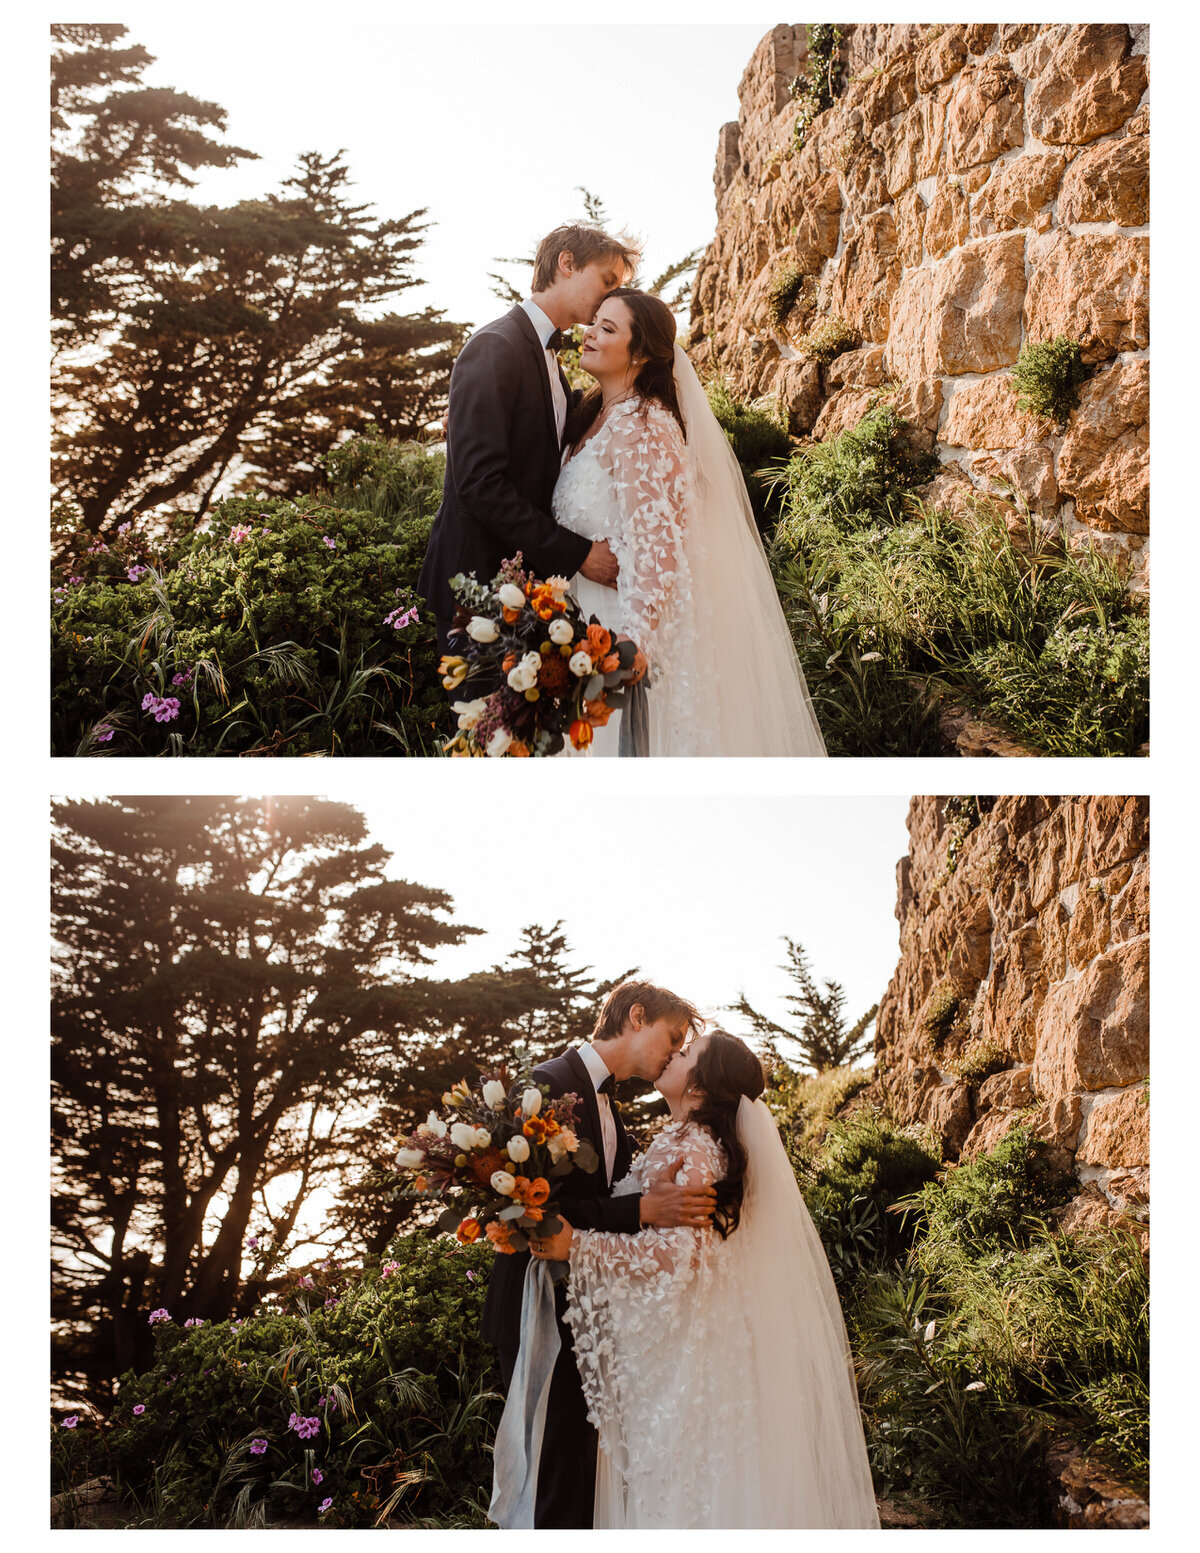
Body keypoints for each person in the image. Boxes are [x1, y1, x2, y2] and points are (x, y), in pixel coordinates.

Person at [529, 1029, 879, 1528]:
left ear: (699, 1086)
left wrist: (577, 1246)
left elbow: (678, 1259)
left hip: (689, 1357)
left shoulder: (698, 1147)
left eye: (688, 1052)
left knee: (688, 1491)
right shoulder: (681, 1138)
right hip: (674, 1346)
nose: (675, 1053)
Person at [482, 981, 717, 1529]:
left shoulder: (613, 1109)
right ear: (637, 1017)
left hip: (585, 1316)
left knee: (575, 1477)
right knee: (548, 1474)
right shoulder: (547, 1083)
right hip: (534, 1308)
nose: (673, 1052)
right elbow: (539, 1210)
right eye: (672, 1036)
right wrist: (642, 1211)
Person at [553, 288, 828, 755]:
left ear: (639, 353)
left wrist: (634, 642)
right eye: (594, 322)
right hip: (578, 620)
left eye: (608, 328)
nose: (590, 333)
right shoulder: (593, 417)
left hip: (620, 629)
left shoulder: (643, 424)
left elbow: (660, 543)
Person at [418, 224, 640, 680]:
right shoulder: (494, 348)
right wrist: (577, 553)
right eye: (607, 280)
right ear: (567, 263)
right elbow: (480, 486)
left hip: (525, 596)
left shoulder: (551, 363)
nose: (610, 297)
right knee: (487, 742)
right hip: (477, 592)